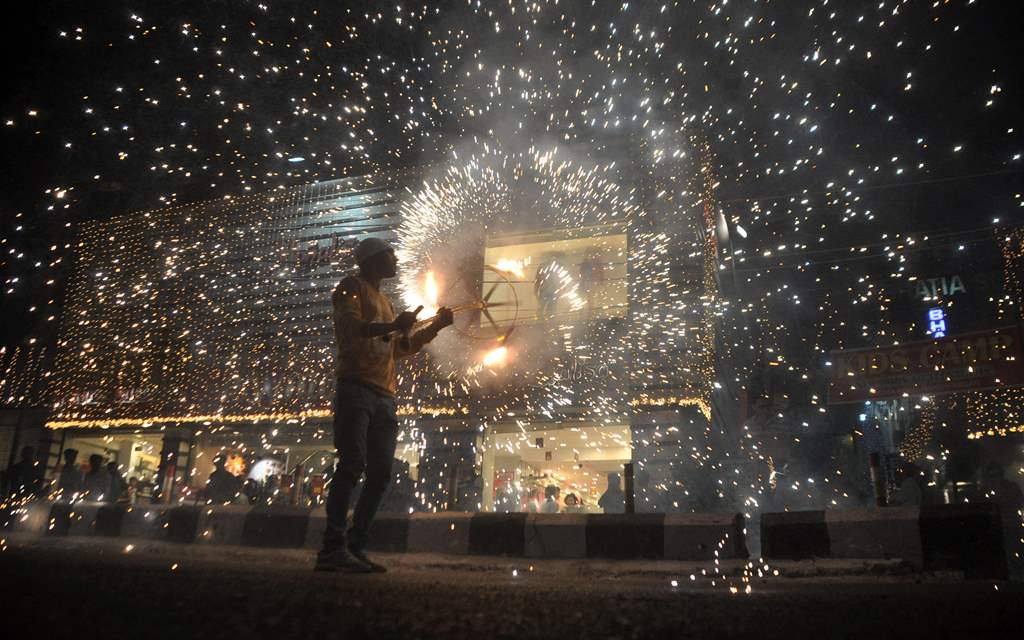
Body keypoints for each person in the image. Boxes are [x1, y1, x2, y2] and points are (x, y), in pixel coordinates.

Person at [317, 237, 454, 573]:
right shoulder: (351, 288)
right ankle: (332, 549)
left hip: (384, 396)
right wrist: (395, 326)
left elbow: (399, 349)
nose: (395, 259)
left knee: (379, 473)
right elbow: (350, 330)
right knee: (352, 465)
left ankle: (354, 545)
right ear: (374, 259)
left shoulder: (386, 302)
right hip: (356, 389)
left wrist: (435, 325)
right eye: (390, 254)